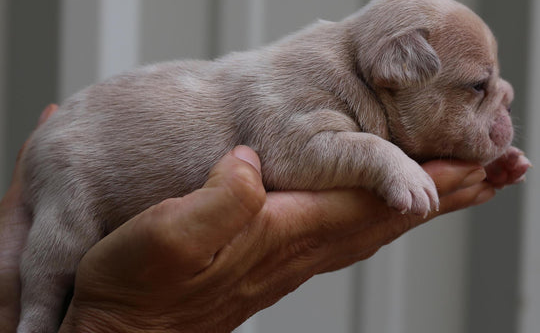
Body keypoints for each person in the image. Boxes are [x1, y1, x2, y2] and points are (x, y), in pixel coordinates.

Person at [1, 104, 500, 332]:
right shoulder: (301, 87)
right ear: (399, 62)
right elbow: (296, 153)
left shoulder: (361, 98)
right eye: (476, 90)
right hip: (87, 159)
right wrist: (121, 323)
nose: (499, 108)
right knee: (47, 284)